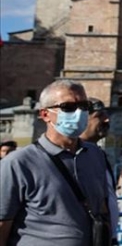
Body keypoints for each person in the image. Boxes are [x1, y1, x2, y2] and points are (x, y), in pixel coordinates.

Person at [0, 80, 112, 245]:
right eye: (68, 107)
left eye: (84, 106)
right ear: (45, 114)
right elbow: (3, 223)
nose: (79, 112)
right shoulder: (18, 163)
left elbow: (101, 207)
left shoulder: (95, 155)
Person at [80, 98, 119, 232]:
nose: (107, 120)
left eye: (106, 115)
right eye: (99, 116)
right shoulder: (74, 156)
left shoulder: (99, 155)